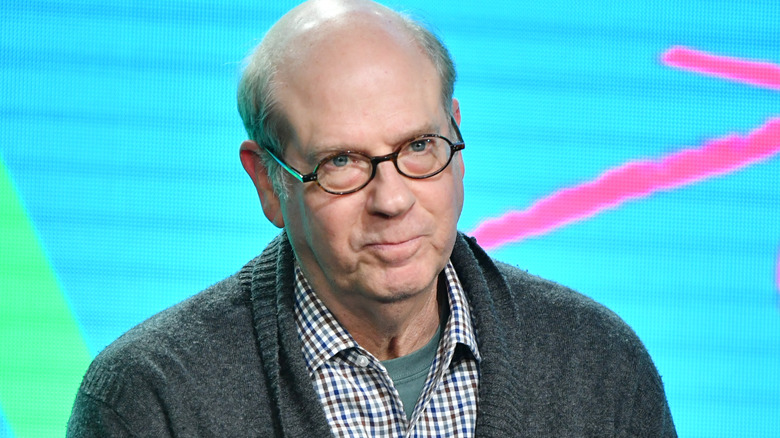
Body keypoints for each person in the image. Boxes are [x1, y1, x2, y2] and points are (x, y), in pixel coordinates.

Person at [67, 0, 676, 436]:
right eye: (341, 161)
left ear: (457, 133)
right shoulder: (151, 398)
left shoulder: (596, 365)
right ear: (268, 182)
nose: (391, 199)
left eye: (418, 146)